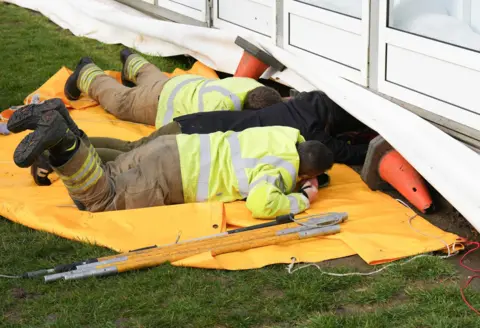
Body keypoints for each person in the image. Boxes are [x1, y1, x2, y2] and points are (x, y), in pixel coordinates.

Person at [8, 103, 334, 218]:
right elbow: (262, 204)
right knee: (100, 201)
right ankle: (62, 140)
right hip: (177, 177)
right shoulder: (282, 170)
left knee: (105, 172)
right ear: (310, 172)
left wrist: (302, 170)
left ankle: (59, 121)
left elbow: (296, 151)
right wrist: (300, 198)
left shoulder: (283, 134)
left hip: (173, 148)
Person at [90, 90, 372, 164]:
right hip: (194, 137)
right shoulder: (310, 129)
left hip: (196, 122)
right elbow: (342, 153)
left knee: (132, 147)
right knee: (130, 155)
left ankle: (69, 144)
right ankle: (66, 153)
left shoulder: (306, 102)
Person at [64, 49, 283, 128]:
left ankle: (132, 61)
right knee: (120, 101)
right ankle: (87, 74)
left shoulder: (250, 86)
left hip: (182, 85)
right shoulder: (224, 111)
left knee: (154, 80)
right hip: (160, 103)